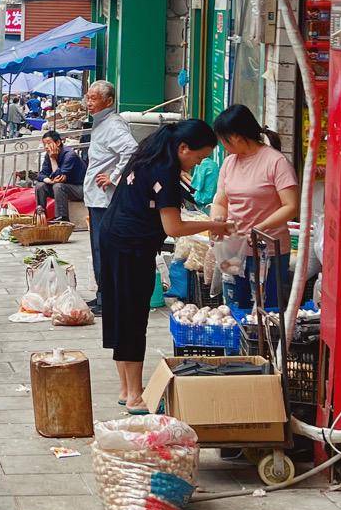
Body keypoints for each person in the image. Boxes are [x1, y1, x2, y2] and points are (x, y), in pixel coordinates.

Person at [96, 119, 228, 410]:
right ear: (183, 148)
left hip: (113, 237)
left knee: (119, 312)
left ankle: (125, 388)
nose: (198, 163)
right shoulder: (165, 171)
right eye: (199, 156)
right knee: (132, 316)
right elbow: (173, 227)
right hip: (131, 247)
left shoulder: (149, 155)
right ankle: (134, 395)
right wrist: (217, 226)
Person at [210, 104, 300, 313]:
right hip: (233, 250)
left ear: (236, 137)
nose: (222, 146)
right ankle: (236, 346)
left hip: (268, 251)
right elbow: (221, 200)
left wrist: (259, 228)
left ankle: (264, 347)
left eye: (223, 140)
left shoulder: (276, 162)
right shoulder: (229, 163)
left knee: (265, 310)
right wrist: (218, 220)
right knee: (234, 305)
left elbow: (291, 206)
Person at [82, 80, 140, 313]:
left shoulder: (113, 125)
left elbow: (132, 150)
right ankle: (102, 294)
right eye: (88, 97)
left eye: (94, 98)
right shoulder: (101, 123)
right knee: (99, 248)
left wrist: (114, 177)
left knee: (103, 248)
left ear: (109, 101)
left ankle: (108, 298)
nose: (89, 102)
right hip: (97, 197)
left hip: (105, 199)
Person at [33, 129, 84, 222]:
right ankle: (41, 216)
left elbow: (59, 176)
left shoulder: (70, 155)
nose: (46, 147)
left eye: (49, 143)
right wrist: (48, 180)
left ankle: (61, 218)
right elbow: (41, 174)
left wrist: (53, 159)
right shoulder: (48, 155)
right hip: (63, 187)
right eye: (45, 144)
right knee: (40, 185)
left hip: (79, 188)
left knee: (58, 186)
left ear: (58, 142)